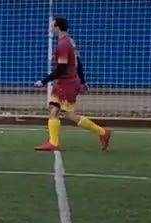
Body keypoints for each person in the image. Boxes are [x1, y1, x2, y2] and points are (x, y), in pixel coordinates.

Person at [34, 17, 111, 152]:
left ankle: (102, 132)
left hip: (67, 84)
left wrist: (43, 81)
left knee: (69, 115)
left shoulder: (63, 45)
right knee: (54, 109)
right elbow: (78, 63)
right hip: (66, 82)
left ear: (58, 27)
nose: (50, 28)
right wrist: (83, 81)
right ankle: (53, 142)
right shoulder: (71, 41)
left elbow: (61, 69)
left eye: (52, 25)